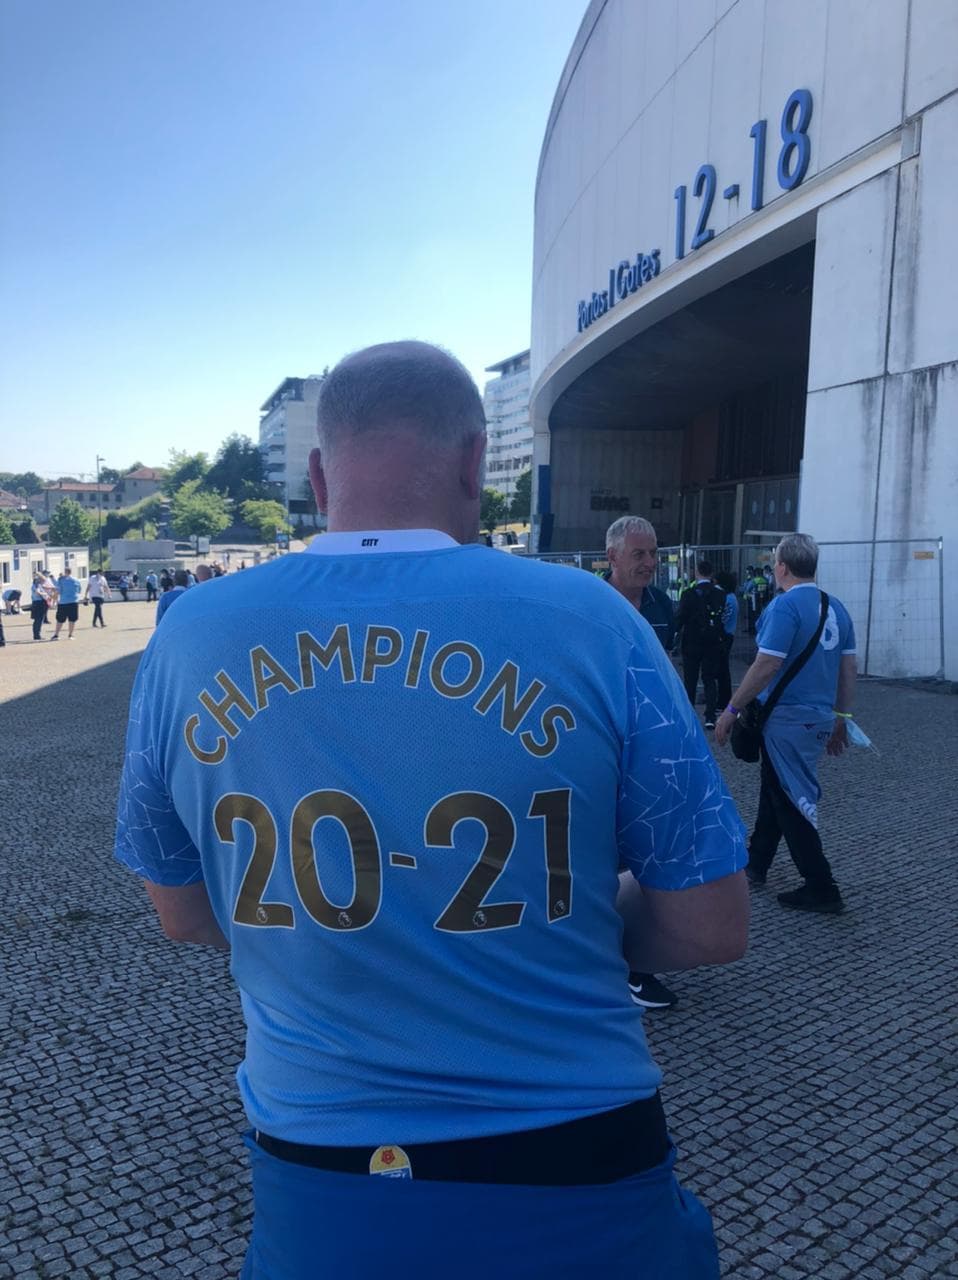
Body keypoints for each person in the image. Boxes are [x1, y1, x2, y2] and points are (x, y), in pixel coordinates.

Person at [115, 341, 748, 1280]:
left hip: (321, 1179)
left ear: (322, 472)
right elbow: (708, 925)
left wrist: (351, 936)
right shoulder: (595, 618)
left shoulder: (190, 636)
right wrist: (553, 925)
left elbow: (181, 911)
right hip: (580, 1164)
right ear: (470, 462)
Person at [715, 533, 856, 914]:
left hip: (785, 721)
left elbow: (766, 666)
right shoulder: (836, 608)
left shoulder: (784, 608)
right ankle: (756, 862)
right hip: (817, 719)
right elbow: (847, 668)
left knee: (790, 800)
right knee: (776, 789)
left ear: (781, 567)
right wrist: (842, 716)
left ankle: (821, 884)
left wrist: (731, 709)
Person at [604, 515, 681, 1012]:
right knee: (596, 855)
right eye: (639, 554)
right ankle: (599, 956)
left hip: (647, 750)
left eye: (654, 553)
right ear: (611, 556)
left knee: (647, 851)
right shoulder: (584, 601)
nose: (650, 563)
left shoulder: (662, 606)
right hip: (596, 745)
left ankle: (636, 964)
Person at [675, 561, 727, 731]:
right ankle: (710, 716)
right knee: (709, 679)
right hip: (712, 643)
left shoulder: (688, 594)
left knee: (690, 680)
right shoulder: (719, 594)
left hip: (691, 642)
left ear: (697, 573)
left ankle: (689, 716)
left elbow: (681, 617)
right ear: (711, 573)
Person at [713, 571, 739, 714]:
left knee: (722, 670)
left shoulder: (728, 599)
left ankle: (723, 701)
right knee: (721, 669)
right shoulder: (731, 597)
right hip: (727, 635)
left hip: (725, 636)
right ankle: (722, 699)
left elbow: (724, 618)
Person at [51, 567, 81, 639]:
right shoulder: (76, 580)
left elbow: (58, 591)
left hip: (63, 602)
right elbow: (79, 591)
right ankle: (70, 635)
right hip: (74, 602)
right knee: (72, 619)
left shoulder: (61, 580)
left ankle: (56, 635)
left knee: (60, 620)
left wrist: (53, 599)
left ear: (65, 572)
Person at [30, 573, 51, 641]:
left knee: (39, 620)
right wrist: (46, 594)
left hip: (38, 603)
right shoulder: (36, 585)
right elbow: (38, 592)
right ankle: (37, 635)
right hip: (38, 603)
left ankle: (37, 635)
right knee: (38, 620)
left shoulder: (38, 585)